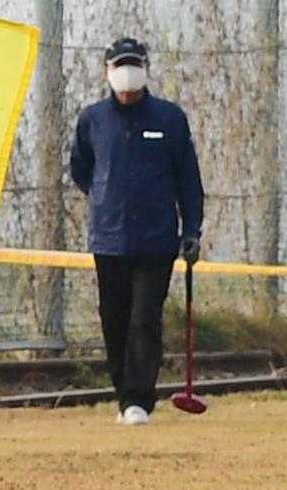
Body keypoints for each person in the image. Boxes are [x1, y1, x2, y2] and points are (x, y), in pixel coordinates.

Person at [67, 35, 205, 425]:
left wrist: (191, 228)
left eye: (133, 64)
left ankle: (139, 401)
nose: (127, 73)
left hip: (157, 241)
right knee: (114, 319)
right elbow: (81, 169)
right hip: (108, 241)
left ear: (146, 69)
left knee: (145, 318)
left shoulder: (169, 119)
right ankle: (123, 395)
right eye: (120, 65)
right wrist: (104, 198)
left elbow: (188, 180)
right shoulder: (92, 120)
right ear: (107, 72)